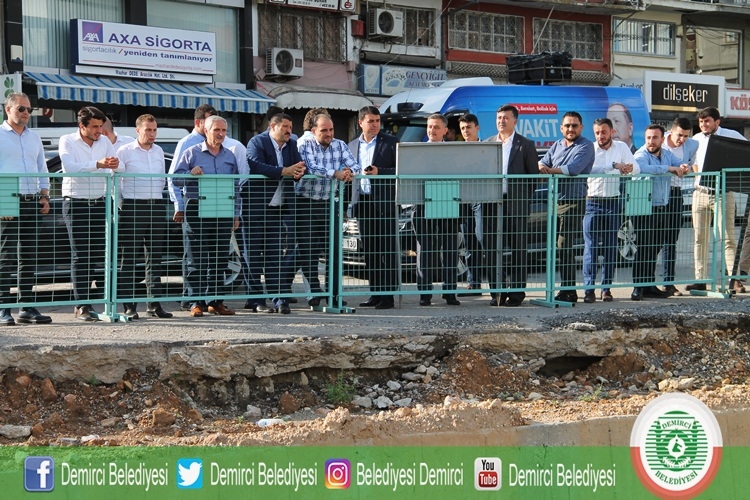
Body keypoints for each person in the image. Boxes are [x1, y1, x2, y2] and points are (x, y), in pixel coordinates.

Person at [172, 115, 241, 317]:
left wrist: (236, 214)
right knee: (196, 259)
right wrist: (189, 173)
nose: (221, 134)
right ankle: (196, 302)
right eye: (216, 130)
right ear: (206, 131)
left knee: (219, 259)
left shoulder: (230, 156)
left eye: (224, 130)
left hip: (222, 210)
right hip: (197, 210)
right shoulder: (192, 152)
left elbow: (236, 187)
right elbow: (175, 179)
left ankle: (215, 302)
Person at [59, 106, 119, 321]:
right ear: (81, 126)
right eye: (94, 126)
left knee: (95, 254)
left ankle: (89, 303)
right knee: (80, 254)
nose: (99, 131)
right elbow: (69, 167)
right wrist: (97, 164)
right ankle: (81, 304)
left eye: (100, 126)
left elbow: (114, 166)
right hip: (76, 203)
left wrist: (115, 164)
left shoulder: (104, 141)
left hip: (100, 202)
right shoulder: (67, 140)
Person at [296, 113, 359, 307]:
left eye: (331, 129)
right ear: (313, 131)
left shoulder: (340, 145)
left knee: (334, 251)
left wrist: (349, 172)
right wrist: (336, 173)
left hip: (330, 203)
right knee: (309, 251)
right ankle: (313, 293)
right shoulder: (305, 145)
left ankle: (334, 293)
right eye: (324, 130)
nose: (329, 134)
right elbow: (311, 168)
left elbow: (355, 165)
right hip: (306, 203)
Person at [245, 112, 306, 314]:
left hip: (278, 209)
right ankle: (256, 301)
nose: (289, 131)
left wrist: (298, 172)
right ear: (273, 126)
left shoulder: (292, 145)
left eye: (291, 127)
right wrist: (284, 171)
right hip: (255, 209)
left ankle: (280, 300)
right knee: (252, 257)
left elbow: (299, 166)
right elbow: (256, 165)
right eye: (285, 127)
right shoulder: (257, 142)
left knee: (275, 257)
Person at [0, 92, 52, 325]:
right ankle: (3, 307)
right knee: (6, 256)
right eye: (21, 109)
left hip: (32, 198)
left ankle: (27, 307)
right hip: (6, 193)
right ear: (8, 109)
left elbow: (41, 168)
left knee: (29, 256)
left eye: (29, 109)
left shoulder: (34, 137)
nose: (26, 113)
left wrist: (44, 195)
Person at [115, 114, 173, 320]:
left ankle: (154, 305)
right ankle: (129, 306)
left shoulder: (158, 151)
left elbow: (162, 179)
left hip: (156, 206)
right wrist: (120, 206)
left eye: (154, 130)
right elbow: (115, 180)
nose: (152, 134)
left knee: (155, 258)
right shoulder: (125, 150)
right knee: (129, 258)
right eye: (148, 130)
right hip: (133, 207)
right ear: (138, 130)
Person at [484, 105, 540, 307]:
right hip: (492, 203)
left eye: (506, 118)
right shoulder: (487, 143)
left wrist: (521, 198)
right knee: (492, 248)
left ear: (515, 121)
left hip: (516, 203)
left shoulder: (525, 145)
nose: (501, 121)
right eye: (499, 117)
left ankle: (516, 293)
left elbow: (533, 177)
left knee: (518, 248)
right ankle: (497, 292)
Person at [687, 106, 746, 292]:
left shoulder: (731, 135)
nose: (703, 125)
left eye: (707, 121)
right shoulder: (696, 140)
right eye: (701, 122)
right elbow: (693, 163)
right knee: (699, 239)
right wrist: (697, 177)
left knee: (728, 238)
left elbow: (745, 151)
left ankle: (733, 279)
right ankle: (701, 279)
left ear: (717, 122)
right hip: (700, 193)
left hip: (723, 193)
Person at [538, 111, 595, 303]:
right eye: (567, 126)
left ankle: (569, 290)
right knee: (556, 247)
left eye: (574, 125)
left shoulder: (586, 145)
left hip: (572, 201)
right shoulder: (557, 144)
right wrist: (542, 167)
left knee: (564, 246)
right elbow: (543, 161)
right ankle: (563, 289)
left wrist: (548, 171)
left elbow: (573, 169)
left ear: (581, 127)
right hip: (554, 200)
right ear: (561, 128)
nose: (571, 129)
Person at [582, 118, 638, 303]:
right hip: (592, 202)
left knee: (610, 247)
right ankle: (589, 289)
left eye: (604, 132)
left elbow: (636, 168)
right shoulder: (589, 149)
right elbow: (588, 170)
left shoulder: (621, 147)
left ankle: (606, 289)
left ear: (612, 132)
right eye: (597, 132)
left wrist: (629, 168)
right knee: (590, 247)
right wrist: (613, 166)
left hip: (613, 202)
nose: (600, 136)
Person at [348, 106, 399, 310]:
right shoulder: (352, 145)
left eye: (378, 121)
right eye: (371, 121)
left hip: (385, 203)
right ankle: (375, 293)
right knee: (370, 251)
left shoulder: (391, 142)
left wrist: (380, 172)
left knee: (387, 250)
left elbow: (401, 169)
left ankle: (388, 296)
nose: (376, 125)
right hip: (363, 202)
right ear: (360, 122)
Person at [632, 125, 690, 301]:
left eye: (655, 138)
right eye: (648, 137)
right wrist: (669, 169)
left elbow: (678, 163)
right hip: (644, 208)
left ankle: (649, 285)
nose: (651, 141)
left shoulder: (666, 153)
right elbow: (643, 168)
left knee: (654, 248)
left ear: (662, 139)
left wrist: (683, 166)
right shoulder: (641, 154)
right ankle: (638, 288)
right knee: (644, 248)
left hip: (661, 207)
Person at [413, 113, 461, 306]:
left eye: (436, 127)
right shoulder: (416, 151)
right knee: (425, 250)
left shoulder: (453, 152)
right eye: (429, 126)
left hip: (448, 202)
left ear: (445, 130)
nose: (432, 130)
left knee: (450, 250)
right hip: (423, 203)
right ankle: (425, 294)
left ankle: (450, 292)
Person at [661, 117, 699, 296]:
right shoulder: (659, 140)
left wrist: (688, 169)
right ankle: (645, 284)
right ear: (671, 131)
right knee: (651, 239)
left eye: (685, 136)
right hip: (657, 192)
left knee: (671, 240)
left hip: (675, 192)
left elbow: (694, 164)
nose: (682, 139)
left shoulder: (692, 145)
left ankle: (668, 283)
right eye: (679, 135)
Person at [457, 113, 484, 294]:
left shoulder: (487, 148)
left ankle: (499, 279)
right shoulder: (458, 150)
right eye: (463, 128)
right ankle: (473, 282)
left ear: (477, 128)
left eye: (468, 127)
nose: (465, 131)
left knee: (483, 239)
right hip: (464, 199)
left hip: (482, 198)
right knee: (469, 243)